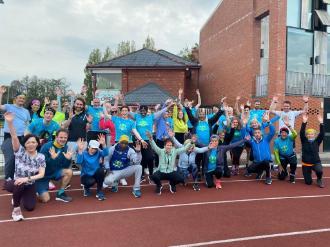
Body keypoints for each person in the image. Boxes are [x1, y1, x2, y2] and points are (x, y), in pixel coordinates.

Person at [4, 112, 46, 221]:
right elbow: (14, 136)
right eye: (28, 143)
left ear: (37, 143)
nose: (31, 144)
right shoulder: (20, 152)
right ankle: (16, 210)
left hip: (29, 183)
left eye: (33, 142)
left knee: (30, 207)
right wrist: (10, 123)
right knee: (19, 184)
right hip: (15, 183)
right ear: (25, 144)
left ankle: (18, 196)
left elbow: (41, 174)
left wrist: (26, 179)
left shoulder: (41, 157)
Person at [0, 87, 31, 180]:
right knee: (10, 159)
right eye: (20, 98)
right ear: (15, 99)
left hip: (22, 138)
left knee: (22, 159)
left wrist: (28, 135)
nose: (21, 99)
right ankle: (8, 179)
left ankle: (19, 178)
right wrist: (1, 93)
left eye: (23, 98)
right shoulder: (9, 106)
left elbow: (27, 124)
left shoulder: (26, 111)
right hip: (9, 137)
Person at [36, 129, 74, 202]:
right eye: (61, 137)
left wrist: (68, 159)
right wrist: (51, 158)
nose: (63, 139)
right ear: (56, 137)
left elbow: (65, 166)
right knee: (45, 199)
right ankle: (34, 191)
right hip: (43, 176)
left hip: (55, 172)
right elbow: (39, 163)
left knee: (69, 172)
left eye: (65, 138)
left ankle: (60, 193)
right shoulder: (46, 147)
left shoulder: (65, 147)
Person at [246, 112, 275, 185]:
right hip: (257, 161)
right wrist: (245, 124)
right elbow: (245, 132)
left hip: (266, 161)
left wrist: (268, 121)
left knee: (266, 163)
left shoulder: (266, 139)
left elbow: (272, 131)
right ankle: (260, 171)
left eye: (258, 133)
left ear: (261, 133)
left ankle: (268, 177)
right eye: (255, 133)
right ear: (254, 134)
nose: (257, 134)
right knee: (249, 169)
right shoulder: (252, 141)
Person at [77, 135, 109, 200]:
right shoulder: (84, 153)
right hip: (86, 175)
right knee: (90, 181)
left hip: (95, 174)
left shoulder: (98, 152)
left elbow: (106, 153)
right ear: (88, 147)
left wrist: (104, 144)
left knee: (101, 170)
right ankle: (86, 187)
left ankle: (99, 191)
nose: (94, 150)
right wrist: (80, 150)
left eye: (95, 148)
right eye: (92, 148)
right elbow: (79, 161)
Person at [300, 113, 325, 188]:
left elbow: (322, 134)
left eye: (312, 134)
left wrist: (321, 123)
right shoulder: (304, 141)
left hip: (315, 162)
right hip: (306, 164)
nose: (310, 135)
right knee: (308, 182)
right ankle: (308, 174)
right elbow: (301, 133)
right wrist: (304, 122)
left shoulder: (317, 141)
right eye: (309, 134)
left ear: (314, 135)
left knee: (319, 170)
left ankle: (319, 179)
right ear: (307, 135)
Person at [274, 119, 298, 183]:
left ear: (287, 134)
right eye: (282, 133)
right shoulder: (276, 141)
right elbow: (276, 153)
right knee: (281, 177)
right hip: (283, 158)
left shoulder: (290, 138)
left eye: (285, 133)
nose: (283, 134)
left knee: (294, 163)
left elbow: (295, 134)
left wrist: (289, 126)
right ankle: (285, 172)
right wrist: (279, 164)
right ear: (280, 133)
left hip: (291, 156)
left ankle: (292, 174)